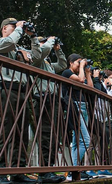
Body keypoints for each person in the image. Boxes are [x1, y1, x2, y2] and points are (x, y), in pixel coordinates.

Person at [0, 18, 41, 184]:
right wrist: (19, 28)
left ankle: (18, 171)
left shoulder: (19, 48)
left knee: (21, 133)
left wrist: (33, 37)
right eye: (14, 26)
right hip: (5, 89)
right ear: (5, 28)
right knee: (3, 131)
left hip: (22, 91)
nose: (19, 29)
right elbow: (9, 43)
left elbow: (38, 57)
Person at [31, 36, 67, 183]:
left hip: (52, 100)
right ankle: (44, 172)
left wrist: (58, 50)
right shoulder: (36, 58)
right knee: (45, 134)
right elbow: (41, 53)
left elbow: (62, 64)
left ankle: (49, 168)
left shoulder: (47, 64)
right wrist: (49, 42)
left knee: (53, 135)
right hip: (41, 98)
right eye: (42, 42)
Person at [61, 54, 93, 181]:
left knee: (77, 141)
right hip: (74, 106)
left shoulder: (81, 73)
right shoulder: (67, 72)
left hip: (83, 107)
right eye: (78, 62)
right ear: (71, 63)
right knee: (86, 139)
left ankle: (75, 171)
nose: (81, 64)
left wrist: (88, 73)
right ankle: (73, 169)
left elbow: (90, 88)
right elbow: (80, 80)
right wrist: (82, 68)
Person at [86, 69, 112, 178]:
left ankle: (100, 168)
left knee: (98, 143)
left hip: (100, 119)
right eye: (111, 77)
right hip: (92, 116)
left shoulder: (104, 87)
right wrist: (98, 79)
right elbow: (95, 91)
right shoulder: (95, 83)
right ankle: (88, 168)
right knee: (90, 143)